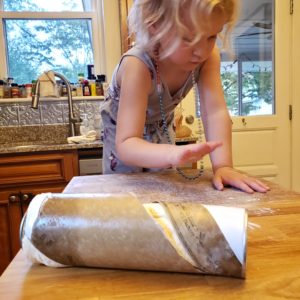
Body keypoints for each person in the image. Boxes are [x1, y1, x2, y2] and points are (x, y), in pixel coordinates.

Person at [100, 0, 270, 194]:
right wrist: (172, 154)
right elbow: (127, 143)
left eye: (211, 36)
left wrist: (223, 166)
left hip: (161, 125)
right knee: (127, 196)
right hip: (122, 133)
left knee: (161, 192)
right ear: (155, 25)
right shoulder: (137, 66)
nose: (201, 51)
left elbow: (215, 112)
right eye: (188, 38)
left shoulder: (207, 58)